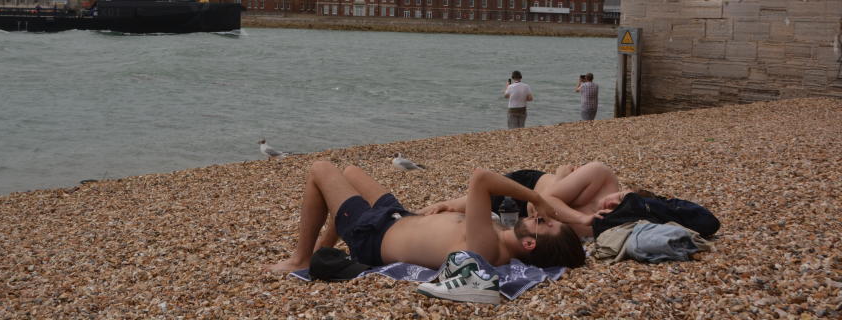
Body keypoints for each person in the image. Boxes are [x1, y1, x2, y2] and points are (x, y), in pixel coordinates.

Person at [266, 161, 586, 273]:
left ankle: (302, 259)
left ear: (529, 244)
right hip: (399, 216)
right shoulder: (501, 233)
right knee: (351, 172)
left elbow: (481, 179)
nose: (540, 217)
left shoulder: (488, 248)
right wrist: (451, 208)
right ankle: (325, 250)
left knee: (321, 169)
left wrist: (537, 197)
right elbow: (471, 210)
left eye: (543, 224)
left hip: (373, 234)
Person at [419, 162, 629, 239]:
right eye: (620, 198)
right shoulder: (602, 175)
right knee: (450, 205)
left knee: (461, 219)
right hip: (526, 186)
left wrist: (560, 179)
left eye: (617, 210)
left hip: (523, 213)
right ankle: (412, 216)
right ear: (627, 191)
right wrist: (580, 216)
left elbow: (538, 213)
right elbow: (539, 203)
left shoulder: (601, 225)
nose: (610, 204)